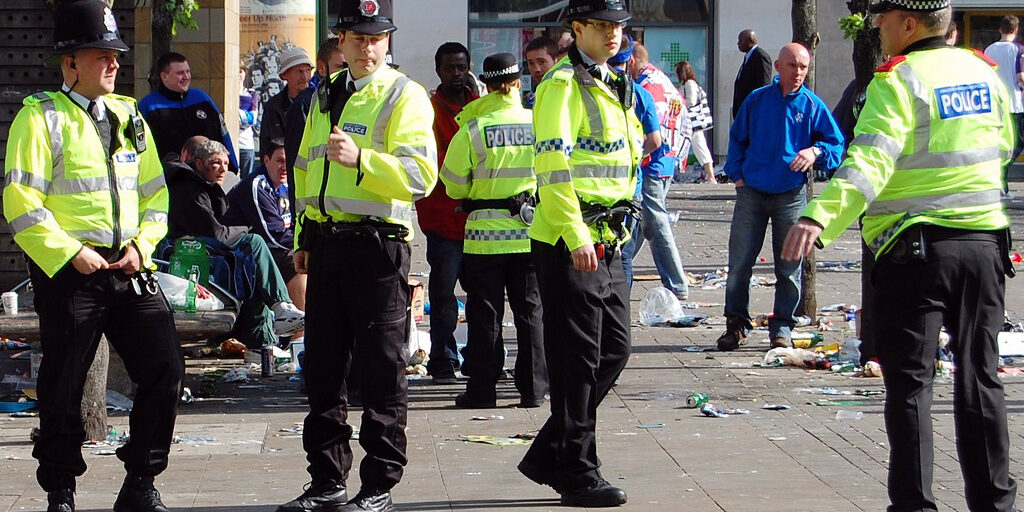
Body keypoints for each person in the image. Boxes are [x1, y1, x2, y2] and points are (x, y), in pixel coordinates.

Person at [782, 2, 1017, 510]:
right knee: (980, 378)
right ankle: (996, 504)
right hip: (985, 246)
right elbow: (1005, 146)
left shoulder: (897, 81)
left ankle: (914, 505)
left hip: (916, 254)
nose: (876, 29)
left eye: (882, 19)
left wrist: (817, 218)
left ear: (908, 24)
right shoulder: (987, 72)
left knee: (911, 387)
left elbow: (869, 162)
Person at [3, 2, 183, 510]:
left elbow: (155, 196)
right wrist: (69, 252)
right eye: (100, 54)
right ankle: (60, 488)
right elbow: (20, 201)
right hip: (71, 272)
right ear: (69, 64)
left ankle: (141, 482)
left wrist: (141, 247)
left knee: (165, 368)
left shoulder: (129, 116)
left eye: (115, 55)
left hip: (128, 267)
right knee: (63, 383)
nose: (112, 63)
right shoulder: (39, 118)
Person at [282, 0, 436, 509]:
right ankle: (326, 480)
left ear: (386, 42)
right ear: (340, 42)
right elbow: (305, 172)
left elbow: (421, 177)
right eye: (357, 38)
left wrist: (363, 159)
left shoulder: (404, 95)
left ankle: (378, 483)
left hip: (377, 247)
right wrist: (303, 238)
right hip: (327, 244)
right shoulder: (326, 95)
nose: (367, 48)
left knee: (381, 368)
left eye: (376, 38)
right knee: (323, 367)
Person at [518, 0, 641, 507]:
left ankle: (550, 453)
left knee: (614, 349)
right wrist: (575, 234)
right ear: (577, 29)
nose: (613, 34)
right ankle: (576, 469)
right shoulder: (562, 85)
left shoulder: (616, 83)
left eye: (618, 26)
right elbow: (552, 167)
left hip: (609, 236)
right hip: (573, 238)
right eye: (601, 26)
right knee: (577, 361)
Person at [716, 43, 843, 351]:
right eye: (792, 65)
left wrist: (815, 151)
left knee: (789, 267)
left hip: (790, 194)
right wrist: (738, 176)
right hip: (752, 193)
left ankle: (782, 326)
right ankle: (735, 324)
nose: (798, 72)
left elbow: (837, 145)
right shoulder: (757, 100)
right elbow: (737, 138)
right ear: (777, 66)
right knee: (739, 264)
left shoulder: (812, 106)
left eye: (803, 67)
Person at [439, 52, 548, 410]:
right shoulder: (538, 124)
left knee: (486, 314)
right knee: (530, 313)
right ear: (519, 82)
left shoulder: (473, 128)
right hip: (529, 233)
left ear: (485, 85)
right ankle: (533, 390)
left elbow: (452, 184)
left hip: (484, 238)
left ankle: (482, 390)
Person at [164, 138, 305, 353]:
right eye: (215, 163)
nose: (222, 170)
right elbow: (217, 233)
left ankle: (265, 340)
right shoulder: (188, 189)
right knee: (255, 243)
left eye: (226, 164)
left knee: (253, 268)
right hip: (193, 255)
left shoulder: (207, 186)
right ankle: (280, 310)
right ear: (199, 164)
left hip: (211, 252)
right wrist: (247, 229)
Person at [420, 42, 475, 385]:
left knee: (483, 295)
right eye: (450, 68)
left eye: (461, 67)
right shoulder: (428, 110)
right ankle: (443, 359)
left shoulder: (481, 106)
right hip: (442, 217)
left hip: (480, 219)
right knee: (443, 295)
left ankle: (482, 357)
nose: (456, 74)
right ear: (438, 70)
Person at [626, 40, 692, 300]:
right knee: (642, 222)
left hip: (652, 163)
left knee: (654, 221)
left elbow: (653, 135)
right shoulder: (663, 82)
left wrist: (631, 157)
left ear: (631, 61)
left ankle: (676, 284)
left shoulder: (646, 87)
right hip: (665, 160)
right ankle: (622, 269)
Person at [225, 137, 305, 319]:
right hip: (245, 249)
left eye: (287, 161)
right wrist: (305, 243)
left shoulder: (288, 184)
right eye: (279, 161)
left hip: (274, 245)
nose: (284, 167)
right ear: (266, 160)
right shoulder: (257, 185)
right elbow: (275, 235)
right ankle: (296, 332)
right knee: (299, 262)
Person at [606, 38, 661, 290]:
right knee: (624, 256)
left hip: (597, 186)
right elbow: (655, 140)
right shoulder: (641, 94)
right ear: (630, 60)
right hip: (630, 187)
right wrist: (635, 157)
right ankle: (620, 313)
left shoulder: (593, 90)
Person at [139, 52, 239, 171]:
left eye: (188, 71)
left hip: (210, 176)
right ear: (164, 76)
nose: (186, 76)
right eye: (180, 73)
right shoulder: (148, 106)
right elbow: (142, 148)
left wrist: (233, 167)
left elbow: (223, 135)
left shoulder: (203, 99)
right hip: (171, 179)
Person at [285, 36, 347, 204]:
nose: (347, 72)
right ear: (321, 68)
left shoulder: (353, 98)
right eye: (340, 66)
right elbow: (296, 165)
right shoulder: (306, 103)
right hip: (315, 212)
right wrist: (300, 218)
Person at [984, 15, 1024, 196]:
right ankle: (1001, 177)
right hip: (1015, 104)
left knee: (998, 142)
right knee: (1016, 143)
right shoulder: (1018, 50)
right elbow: (1020, 77)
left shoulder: (989, 49)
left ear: (1000, 29)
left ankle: (998, 181)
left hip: (995, 103)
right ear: (1016, 31)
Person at [261, 46, 314, 157]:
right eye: (299, 72)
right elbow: (267, 146)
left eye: (308, 71)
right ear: (284, 75)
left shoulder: (319, 101)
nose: (305, 77)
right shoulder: (273, 107)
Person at [676, 60, 717, 184]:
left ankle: (711, 176)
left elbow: (691, 101)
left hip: (693, 123)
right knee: (697, 147)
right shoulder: (687, 84)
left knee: (700, 147)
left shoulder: (689, 84)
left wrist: (680, 105)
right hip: (689, 122)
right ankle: (709, 175)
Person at [732, 29, 772, 119]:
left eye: (741, 40)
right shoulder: (748, 57)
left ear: (750, 41)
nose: (738, 43)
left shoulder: (760, 56)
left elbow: (763, 85)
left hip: (753, 112)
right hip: (743, 110)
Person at [523, 36, 558, 108]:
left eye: (542, 62)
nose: (536, 69)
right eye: (531, 63)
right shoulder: (531, 101)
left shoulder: (567, 92)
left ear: (556, 61)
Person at [239, 61, 260, 176]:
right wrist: (244, 115)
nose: (238, 75)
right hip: (230, 144)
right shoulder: (226, 94)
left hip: (246, 144)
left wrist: (237, 114)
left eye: (240, 71)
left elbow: (252, 119)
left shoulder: (252, 94)